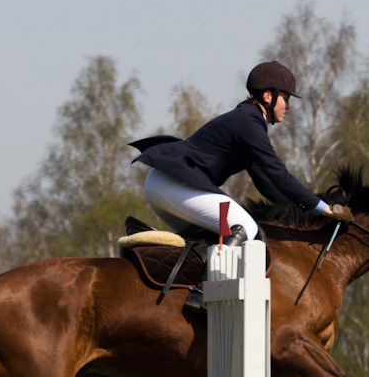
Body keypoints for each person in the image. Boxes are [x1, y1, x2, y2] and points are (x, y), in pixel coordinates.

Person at [130, 61, 352, 244]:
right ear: (268, 96)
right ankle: (206, 293)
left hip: (162, 184)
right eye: (286, 98)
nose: (289, 106)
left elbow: (268, 185)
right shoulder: (249, 123)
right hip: (173, 185)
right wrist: (323, 209)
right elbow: (279, 175)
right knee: (245, 228)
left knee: (205, 239)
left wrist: (303, 212)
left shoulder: (246, 120)